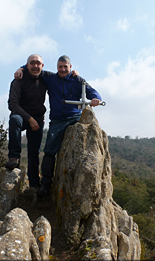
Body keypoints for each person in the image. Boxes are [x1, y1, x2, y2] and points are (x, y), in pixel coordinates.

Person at [15, 55, 102, 197]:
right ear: (57, 67)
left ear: (70, 67)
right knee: (49, 150)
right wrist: (21, 68)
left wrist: (96, 99)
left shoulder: (77, 80)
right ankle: (46, 185)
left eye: (65, 67)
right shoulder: (50, 78)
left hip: (75, 117)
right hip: (57, 120)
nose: (62, 69)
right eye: (60, 67)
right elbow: (34, 68)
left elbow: (92, 92)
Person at [5, 54, 46, 190]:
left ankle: (34, 184)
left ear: (42, 66)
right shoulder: (18, 80)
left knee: (34, 152)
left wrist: (74, 73)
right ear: (27, 65)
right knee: (14, 120)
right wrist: (30, 119)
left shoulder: (46, 78)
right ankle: (14, 158)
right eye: (32, 63)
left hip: (38, 120)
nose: (35, 66)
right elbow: (13, 104)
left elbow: (63, 75)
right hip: (22, 118)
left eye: (38, 63)